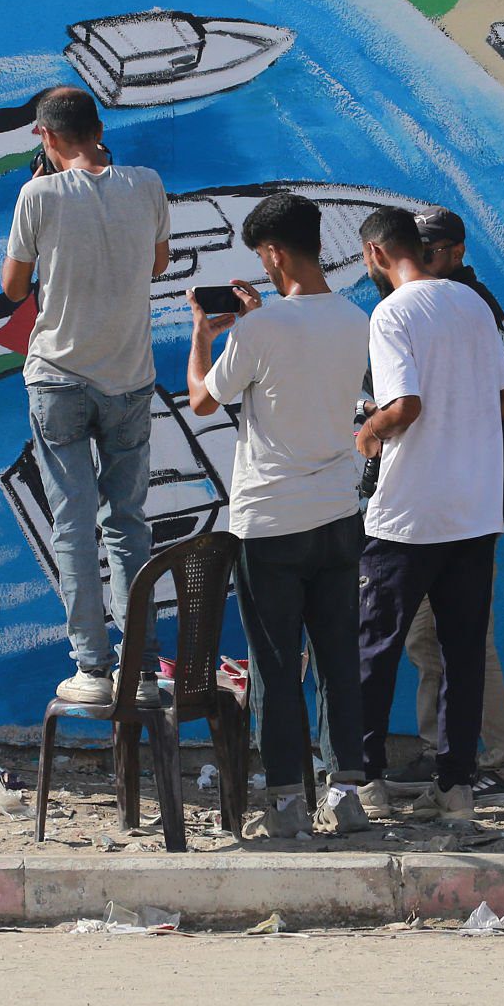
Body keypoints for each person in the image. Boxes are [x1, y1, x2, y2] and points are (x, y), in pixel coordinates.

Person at [186, 192, 371, 839]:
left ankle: (289, 802)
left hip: (270, 523)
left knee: (276, 665)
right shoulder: (355, 321)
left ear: (274, 253)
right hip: (338, 515)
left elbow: (204, 399)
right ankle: (347, 791)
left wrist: (201, 336)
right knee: (338, 663)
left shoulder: (257, 331)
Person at [0, 86, 171, 709]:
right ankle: (143, 670)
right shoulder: (147, 183)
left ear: (45, 138)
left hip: (59, 378)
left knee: (72, 524)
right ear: (98, 127)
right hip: (129, 376)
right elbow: (156, 265)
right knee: (128, 524)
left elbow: (15, 288)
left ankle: (93, 669)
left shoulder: (36, 195)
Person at [353, 207, 504, 824]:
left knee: (376, 649)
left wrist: (370, 431)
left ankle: (364, 779)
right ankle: (456, 788)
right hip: (475, 508)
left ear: (374, 253)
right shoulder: (471, 303)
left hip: (409, 511)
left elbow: (405, 406)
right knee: (462, 653)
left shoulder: (391, 312)